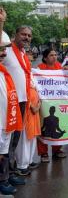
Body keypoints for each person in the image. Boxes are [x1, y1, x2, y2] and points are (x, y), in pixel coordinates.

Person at [2, 26, 33, 176]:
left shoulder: (23, 53)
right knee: (6, 141)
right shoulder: (7, 50)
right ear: (16, 34)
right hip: (9, 103)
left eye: (29, 35)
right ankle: (5, 176)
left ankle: (11, 172)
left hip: (22, 101)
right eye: (23, 34)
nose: (26, 37)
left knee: (15, 140)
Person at [0, 28, 25, 195]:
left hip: (13, 109)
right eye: (0, 50)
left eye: (3, 50)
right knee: (2, 149)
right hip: (3, 117)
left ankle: (8, 175)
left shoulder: (3, 70)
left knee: (10, 146)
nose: (3, 53)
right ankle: (3, 179)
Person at [36, 49, 66, 162]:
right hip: (44, 102)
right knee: (43, 127)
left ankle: (57, 150)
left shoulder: (60, 67)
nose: (54, 57)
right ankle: (43, 153)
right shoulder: (39, 68)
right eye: (51, 55)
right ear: (45, 58)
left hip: (57, 101)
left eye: (55, 55)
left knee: (56, 126)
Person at [15, 86, 40, 176]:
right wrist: (32, 106)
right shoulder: (22, 72)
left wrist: (38, 104)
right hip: (27, 111)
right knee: (24, 139)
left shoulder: (31, 73)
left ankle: (29, 161)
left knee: (32, 138)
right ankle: (22, 165)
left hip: (34, 112)